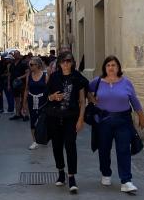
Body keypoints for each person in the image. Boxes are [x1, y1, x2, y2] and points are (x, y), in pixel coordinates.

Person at [88, 55, 144, 193]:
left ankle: (126, 181)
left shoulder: (126, 83)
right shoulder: (98, 82)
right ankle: (106, 173)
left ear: (118, 67)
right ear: (104, 68)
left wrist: (141, 116)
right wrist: (93, 100)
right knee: (104, 149)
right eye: (108, 65)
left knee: (123, 150)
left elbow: (134, 100)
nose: (111, 68)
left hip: (123, 121)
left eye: (113, 65)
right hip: (103, 122)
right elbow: (85, 90)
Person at [46, 51, 86, 193]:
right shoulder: (54, 77)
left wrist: (81, 119)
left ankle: (72, 177)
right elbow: (47, 96)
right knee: (57, 146)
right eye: (63, 61)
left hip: (71, 117)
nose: (66, 64)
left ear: (73, 63)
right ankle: (61, 172)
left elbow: (82, 100)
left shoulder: (77, 77)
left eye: (69, 61)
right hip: (54, 117)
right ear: (59, 63)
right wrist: (53, 97)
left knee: (70, 145)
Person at [23, 57, 48, 150]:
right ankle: (35, 141)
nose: (30, 66)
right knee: (33, 120)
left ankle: (44, 137)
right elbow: (26, 89)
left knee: (43, 120)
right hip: (31, 99)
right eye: (30, 64)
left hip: (43, 101)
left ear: (38, 65)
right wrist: (24, 104)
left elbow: (49, 89)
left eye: (32, 64)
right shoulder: (28, 75)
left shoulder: (45, 75)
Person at [8, 50, 29, 121]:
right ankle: (17, 114)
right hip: (14, 84)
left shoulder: (23, 63)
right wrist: (8, 84)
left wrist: (20, 77)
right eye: (15, 54)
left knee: (24, 99)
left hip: (22, 84)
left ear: (19, 55)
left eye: (17, 54)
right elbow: (9, 75)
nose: (16, 55)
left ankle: (25, 114)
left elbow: (27, 73)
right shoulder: (12, 64)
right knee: (16, 99)